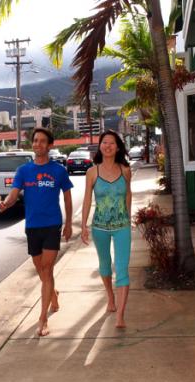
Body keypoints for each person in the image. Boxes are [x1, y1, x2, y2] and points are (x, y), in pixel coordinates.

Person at [0, 128, 73, 336]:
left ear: (50, 146)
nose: (38, 144)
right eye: (35, 141)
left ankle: (43, 319)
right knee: (41, 270)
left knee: (47, 269)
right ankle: (53, 295)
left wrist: (68, 224)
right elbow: (14, 195)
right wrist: (5, 203)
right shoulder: (23, 171)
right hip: (32, 226)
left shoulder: (58, 170)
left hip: (52, 225)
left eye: (42, 141)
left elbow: (66, 197)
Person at [81, 130, 132, 328]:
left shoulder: (125, 170)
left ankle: (120, 315)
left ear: (118, 147)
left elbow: (128, 194)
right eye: (104, 142)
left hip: (122, 227)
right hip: (99, 227)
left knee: (122, 269)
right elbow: (87, 199)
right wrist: (84, 225)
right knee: (104, 264)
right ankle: (110, 297)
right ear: (100, 146)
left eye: (111, 143)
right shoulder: (92, 172)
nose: (107, 146)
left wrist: (127, 215)